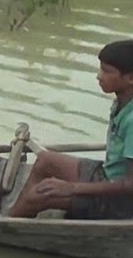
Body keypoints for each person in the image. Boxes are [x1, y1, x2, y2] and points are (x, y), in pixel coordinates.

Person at [8, 39, 133, 219]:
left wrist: (72, 188)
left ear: (130, 78)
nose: (99, 76)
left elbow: (130, 185)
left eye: (107, 71)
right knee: (45, 160)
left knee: (38, 196)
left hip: (121, 202)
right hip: (107, 175)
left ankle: (5, 226)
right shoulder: (122, 100)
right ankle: (16, 215)